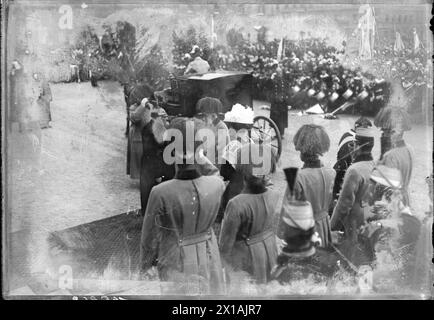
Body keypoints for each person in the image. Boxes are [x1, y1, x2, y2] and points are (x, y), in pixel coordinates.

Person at [140, 117, 225, 295]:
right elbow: (215, 173)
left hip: (175, 262)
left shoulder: (160, 192)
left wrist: (146, 268)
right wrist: (198, 155)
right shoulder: (216, 185)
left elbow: (149, 240)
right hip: (209, 257)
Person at [219, 143, 279, 284]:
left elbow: (225, 246)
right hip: (269, 252)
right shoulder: (274, 195)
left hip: (245, 259)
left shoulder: (236, 204)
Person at [331, 126, 376, 261]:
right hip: (368, 221)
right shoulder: (374, 164)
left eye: (353, 145)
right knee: (365, 255)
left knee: (350, 257)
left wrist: (331, 227)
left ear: (357, 145)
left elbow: (344, 204)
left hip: (353, 223)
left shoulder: (354, 170)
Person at [289, 124, 336, 248]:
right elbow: (331, 203)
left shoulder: (298, 177)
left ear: (303, 152)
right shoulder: (331, 172)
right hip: (324, 226)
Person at [139, 103, 174, 213]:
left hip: (150, 166)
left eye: (165, 116)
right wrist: (158, 173)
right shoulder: (155, 128)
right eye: (163, 116)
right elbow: (157, 150)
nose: (165, 118)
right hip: (153, 167)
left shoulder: (153, 126)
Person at [332, 117, 373, 202]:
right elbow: (349, 161)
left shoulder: (347, 134)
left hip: (340, 170)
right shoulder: (354, 141)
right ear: (357, 128)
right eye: (366, 130)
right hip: (344, 173)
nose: (368, 134)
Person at [378, 119, 413, 207]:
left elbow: (387, 186)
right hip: (406, 197)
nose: (383, 136)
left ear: (392, 133)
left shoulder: (391, 156)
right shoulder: (410, 149)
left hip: (395, 202)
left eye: (385, 133)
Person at [194, 97, 230, 167]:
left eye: (204, 114)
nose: (202, 117)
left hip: (214, 167)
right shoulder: (202, 124)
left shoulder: (221, 127)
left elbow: (222, 154)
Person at [128, 98, 151, 179]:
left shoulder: (150, 106)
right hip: (139, 139)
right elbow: (135, 117)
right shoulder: (133, 108)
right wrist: (142, 106)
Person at [268, 66, 290, 138]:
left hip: (283, 102)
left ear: (282, 72)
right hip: (275, 102)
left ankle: (281, 134)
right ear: (275, 73)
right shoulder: (273, 80)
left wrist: (289, 103)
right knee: (275, 118)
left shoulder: (285, 81)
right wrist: (271, 78)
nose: (279, 73)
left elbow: (288, 92)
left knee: (282, 118)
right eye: (277, 72)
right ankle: (277, 133)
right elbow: (266, 85)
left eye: (280, 72)